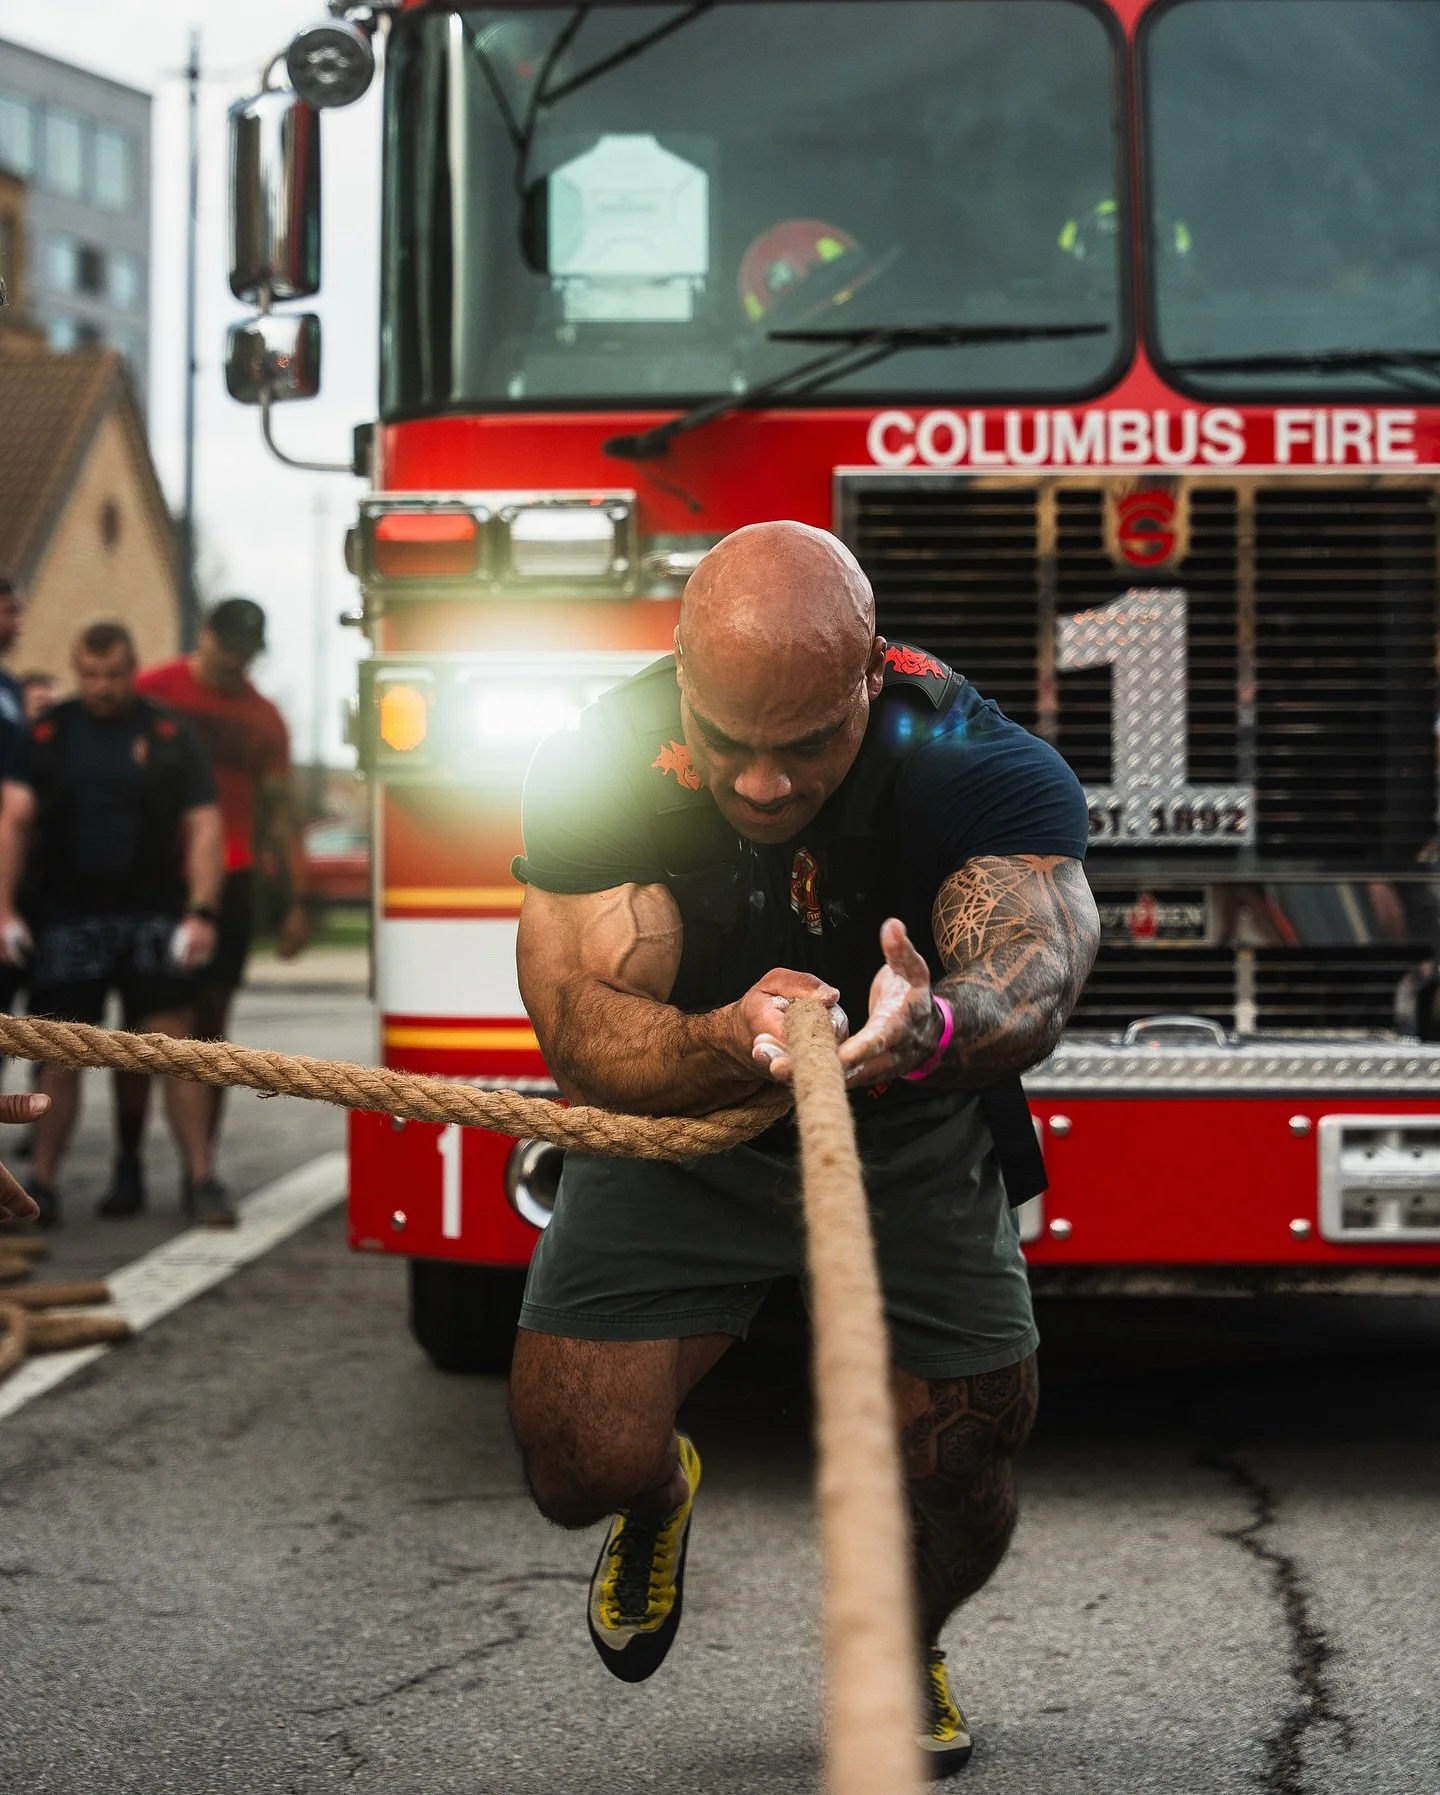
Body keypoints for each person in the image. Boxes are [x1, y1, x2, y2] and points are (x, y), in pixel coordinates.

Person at [508, 521, 1098, 1777]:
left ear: (870, 680)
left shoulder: (968, 754)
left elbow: (1035, 972)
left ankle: (909, 1644)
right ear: (678, 675)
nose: (764, 785)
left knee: (965, 1457)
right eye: (728, 744)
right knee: (576, 1467)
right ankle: (661, 1491)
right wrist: (727, 1035)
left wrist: (929, 1022)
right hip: (689, 1103)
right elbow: (577, 1029)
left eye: (806, 744)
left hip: (912, 1115)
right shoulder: (600, 761)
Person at [0, 619, 227, 1229]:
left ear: (133, 669)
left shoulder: (168, 730)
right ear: (78, 670)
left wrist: (201, 913)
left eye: (114, 675)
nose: (102, 687)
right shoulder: (48, 732)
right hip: (69, 913)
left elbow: (204, 825)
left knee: (175, 1045)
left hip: (154, 910)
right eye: (91, 675)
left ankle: (202, 1179)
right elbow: (13, 822)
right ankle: (43, 1185)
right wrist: (3, 909)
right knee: (60, 1052)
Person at [93, 598, 309, 1218]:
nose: (235, 660)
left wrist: (296, 899)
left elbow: (280, 809)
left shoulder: (264, 717)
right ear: (205, 636)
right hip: (156, 877)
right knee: (140, 1028)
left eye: (247, 652)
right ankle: (128, 1164)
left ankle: (200, 1171)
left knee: (211, 1029)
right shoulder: (155, 688)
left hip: (234, 876)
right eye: (228, 647)